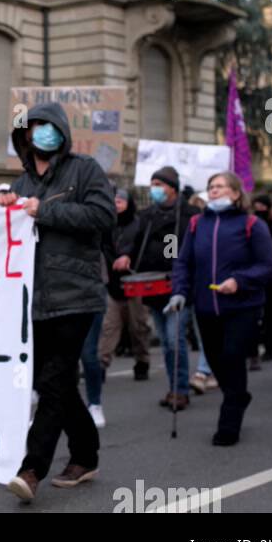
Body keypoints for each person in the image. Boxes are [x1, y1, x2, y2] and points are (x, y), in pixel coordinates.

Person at [0, 102, 115, 502]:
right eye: (35, 127)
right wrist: (3, 206)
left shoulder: (85, 170)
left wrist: (44, 210)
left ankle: (31, 470)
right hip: (34, 298)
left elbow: (102, 217)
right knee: (54, 382)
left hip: (76, 295)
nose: (42, 133)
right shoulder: (23, 183)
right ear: (25, 137)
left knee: (52, 383)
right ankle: (85, 453)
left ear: (62, 132)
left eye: (49, 126)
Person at [168, 171, 272, 446]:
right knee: (216, 362)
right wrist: (179, 292)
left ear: (236, 193)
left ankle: (229, 425)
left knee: (232, 356)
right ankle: (238, 394)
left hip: (242, 306)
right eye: (211, 187)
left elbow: (268, 266)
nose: (213, 191)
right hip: (206, 308)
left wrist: (239, 281)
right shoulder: (196, 224)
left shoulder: (252, 225)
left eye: (220, 186)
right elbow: (183, 262)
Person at [116, 166, 200, 410]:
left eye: (159, 184)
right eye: (152, 184)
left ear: (172, 188)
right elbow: (134, 241)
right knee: (165, 341)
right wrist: (127, 256)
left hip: (179, 285)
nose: (155, 189)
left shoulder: (190, 215)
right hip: (152, 286)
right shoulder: (147, 215)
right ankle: (174, 387)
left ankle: (180, 390)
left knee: (175, 340)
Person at [98, 187, 152, 381]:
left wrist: (129, 258)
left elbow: (166, 247)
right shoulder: (105, 225)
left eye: (120, 202)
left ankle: (142, 361)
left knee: (138, 326)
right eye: (114, 202)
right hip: (112, 284)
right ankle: (101, 365)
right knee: (109, 327)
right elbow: (102, 248)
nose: (116, 205)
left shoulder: (142, 224)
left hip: (137, 283)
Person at [249, 193, 272, 367]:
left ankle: (269, 346)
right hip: (254, 278)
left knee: (271, 313)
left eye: (262, 206)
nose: (259, 209)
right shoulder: (248, 225)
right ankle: (253, 351)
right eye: (256, 206)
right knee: (253, 316)